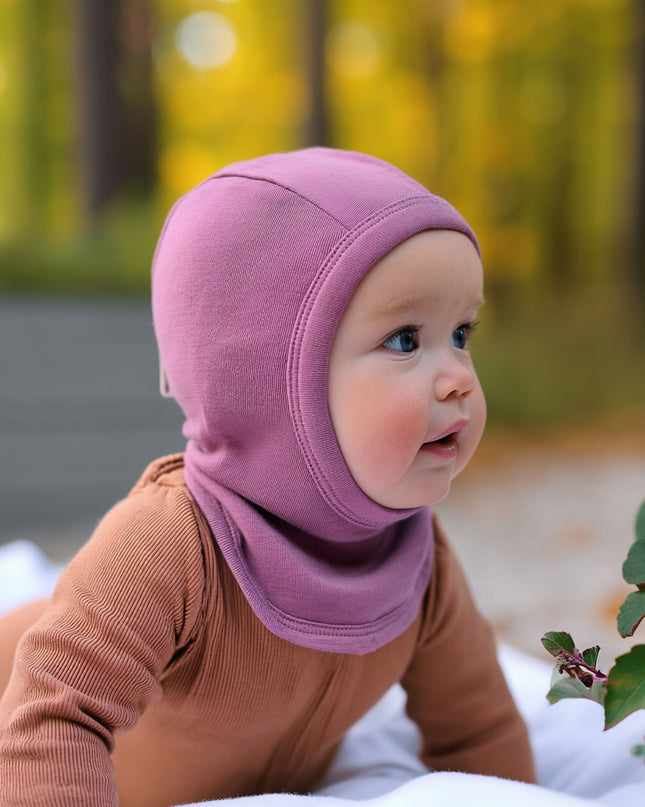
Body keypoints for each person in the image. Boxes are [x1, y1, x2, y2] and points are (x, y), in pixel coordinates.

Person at [0, 148, 536, 806]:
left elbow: (478, 728)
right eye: (404, 339)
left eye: (460, 333)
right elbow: (54, 714)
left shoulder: (417, 560)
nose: (458, 378)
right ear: (269, 385)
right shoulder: (170, 545)